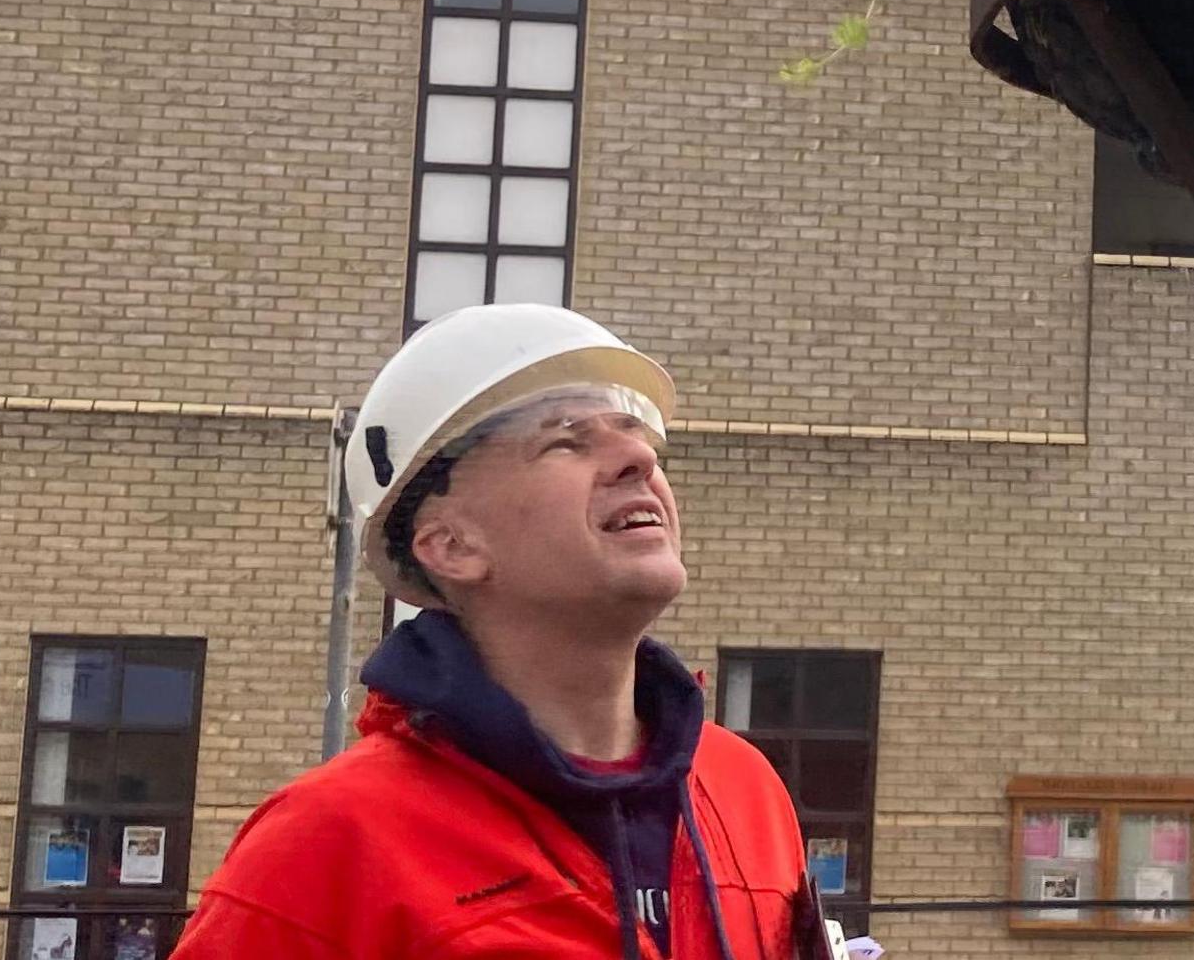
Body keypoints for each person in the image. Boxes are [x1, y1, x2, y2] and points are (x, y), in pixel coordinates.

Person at [176, 303, 840, 960]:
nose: (639, 455)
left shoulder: (742, 788)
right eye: (565, 438)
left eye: (637, 433)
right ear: (452, 544)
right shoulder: (333, 841)